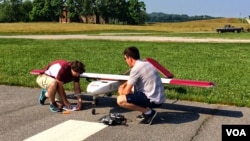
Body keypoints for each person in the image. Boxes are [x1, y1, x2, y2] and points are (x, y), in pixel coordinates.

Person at [117, 46, 166, 125]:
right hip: (159, 97)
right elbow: (131, 79)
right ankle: (146, 110)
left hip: (154, 100)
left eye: (125, 58)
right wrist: (123, 85)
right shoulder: (145, 63)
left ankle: (149, 112)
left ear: (130, 58)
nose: (125, 61)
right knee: (133, 90)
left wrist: (121, 90)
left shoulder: (136, 69)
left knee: (120, 100)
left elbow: (126, 92)